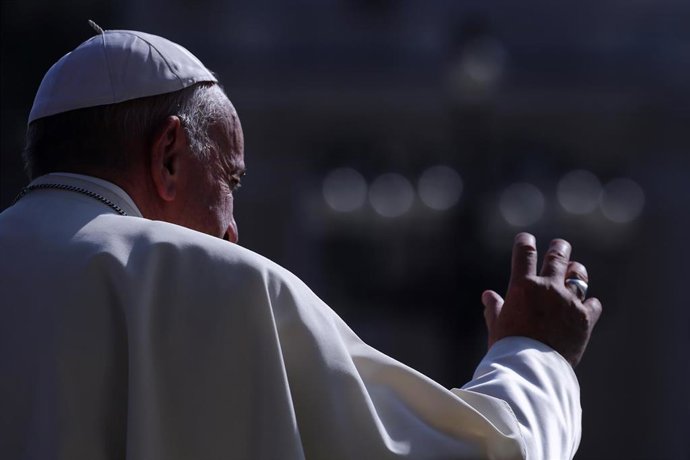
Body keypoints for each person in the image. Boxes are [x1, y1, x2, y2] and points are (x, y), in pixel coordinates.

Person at [0, 24, 601, 460]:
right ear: (169, 157)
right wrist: (536, 355)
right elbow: (488, 453)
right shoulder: (219, 281)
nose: (233, 229)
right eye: (230, 180)